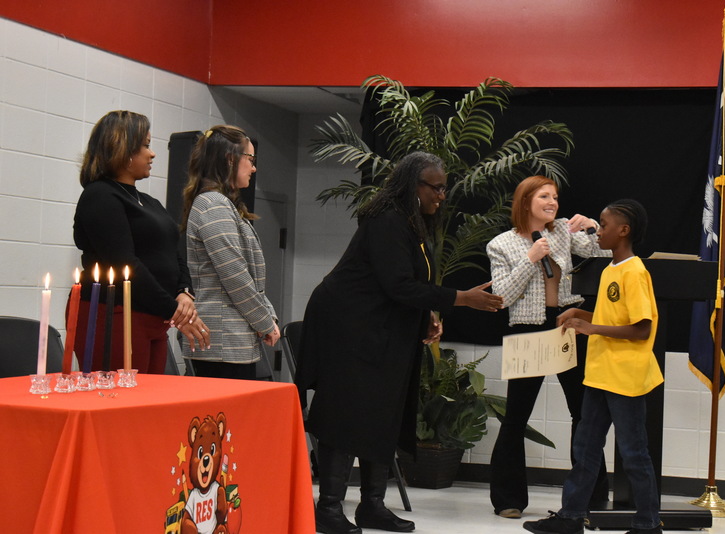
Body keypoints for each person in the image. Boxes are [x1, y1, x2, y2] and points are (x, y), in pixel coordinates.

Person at [295, 151, 504, 534]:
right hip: (349, 326)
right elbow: (397, 284)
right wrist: (460, 298)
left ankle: (372, 505)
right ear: (413, 185)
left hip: (383, 327)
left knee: (384, 411)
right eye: (435, 187)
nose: (441, 195)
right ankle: (327, 508)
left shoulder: (413, 224)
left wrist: (428, 316)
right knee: (346, 413)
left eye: (444, 187)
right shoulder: (386, 220)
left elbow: (407, 284)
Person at [523, 198, 662, 534]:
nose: (599, 230)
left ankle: (648, 524)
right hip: (599, 374)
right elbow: (608, 318)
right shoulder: (610, 270)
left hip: (625, 377)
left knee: (633, 453)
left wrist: (591, 328)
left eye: (605, 224)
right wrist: (580, 315)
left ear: (624, 231)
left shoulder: (635, 271)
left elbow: (641, 328)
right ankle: (571, 518)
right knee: (585, 448)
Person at [486, 175, 610, 519]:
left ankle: (589, 498)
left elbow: (607, 251)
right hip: (527, 331)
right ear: (526, 202)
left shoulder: (560, 232)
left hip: (567, 325)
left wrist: (592, 227)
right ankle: (508, 499)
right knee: (516, 417)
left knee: (583, 414)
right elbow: (501, 297)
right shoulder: (501, 245)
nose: (553, 202)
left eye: (554, 197)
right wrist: (529, 259)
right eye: (544, 196)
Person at [73, 110, 209, 374]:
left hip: (154, 315)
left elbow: (174, 252)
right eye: (145, 145)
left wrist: (184, 291)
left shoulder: (149, 202)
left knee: (149, 401)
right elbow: (124, 262)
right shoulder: (100, 196)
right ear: (122, 149)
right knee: (121, 401)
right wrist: (174, 311)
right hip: (115, 313)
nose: (152, 153)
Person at [180, 125, 280, 379]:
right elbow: (235, 276)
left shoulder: (222, 204)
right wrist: (264, 321)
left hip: (231, 342)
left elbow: (247, 277)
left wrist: (267, 315)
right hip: (222, 344)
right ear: (230, 159)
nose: (254, 168)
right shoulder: (213, 204)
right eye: (251, 159)